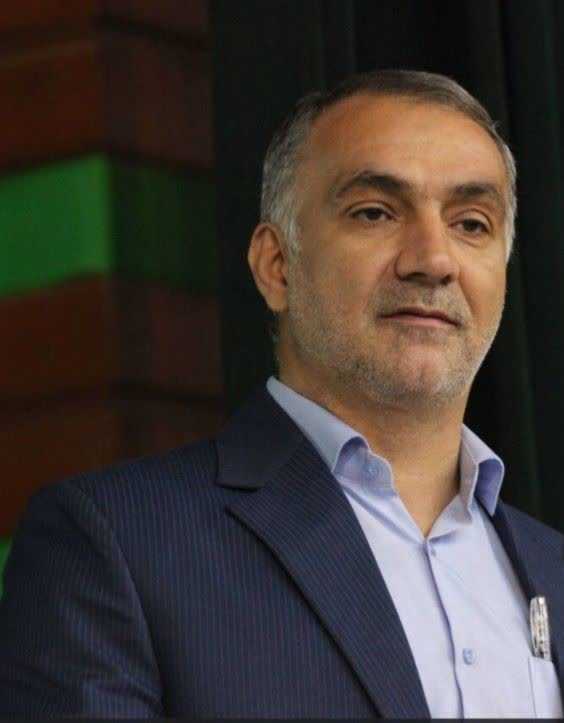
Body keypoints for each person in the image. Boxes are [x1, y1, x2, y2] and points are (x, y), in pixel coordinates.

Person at [0, 69, 562, 719]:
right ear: (277, 266)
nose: (433, 260)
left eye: (471, 223)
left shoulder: (553, 565)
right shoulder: (113, 545)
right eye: (375, 212)